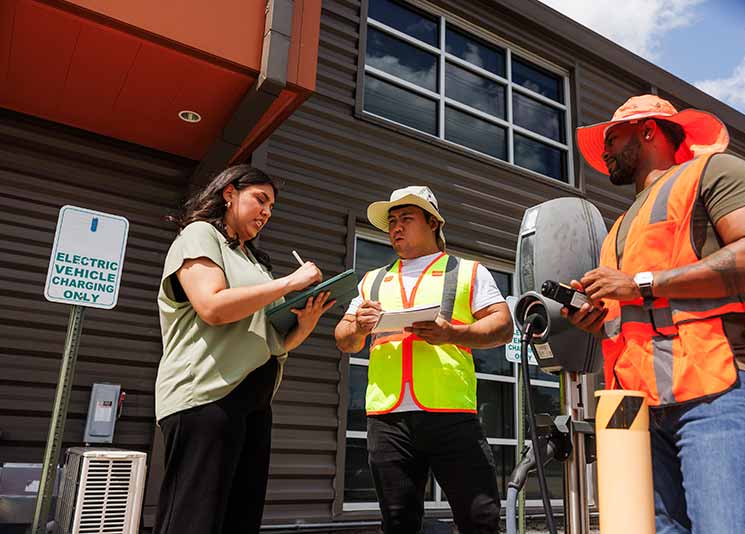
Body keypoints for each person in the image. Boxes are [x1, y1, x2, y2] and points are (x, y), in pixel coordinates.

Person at [567, 94, 745, 533]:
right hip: (641, 412)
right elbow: (637, 306)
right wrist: (599, 313)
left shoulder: (715, 172)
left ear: (649, 131)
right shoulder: (619, 227)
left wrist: (640, 284)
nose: (606, 151)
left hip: (719, 392)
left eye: (613, 138)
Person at [153, 165, 335, 534]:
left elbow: (274, 342)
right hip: (206, 396)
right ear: (229, 193)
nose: (267, 211)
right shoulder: (200, 235)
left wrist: (307, 322)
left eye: (272, 207)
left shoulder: (253, 261)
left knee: (240, 518)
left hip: (253, 402)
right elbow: (213, 307)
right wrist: (289, 282)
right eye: (260, 199)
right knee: (195, 520)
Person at [334, 186, 513, 533]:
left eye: (406, 218)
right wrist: (357, 326)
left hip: (451, 414)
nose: (396, 227)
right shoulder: (373, 280)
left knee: (479, 517)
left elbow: (503, 326)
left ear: (433, 223)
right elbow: (344, 340)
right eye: (392, 221)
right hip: (387, 420)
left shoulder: (468, 272)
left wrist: (453, 334)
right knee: (398, 523)